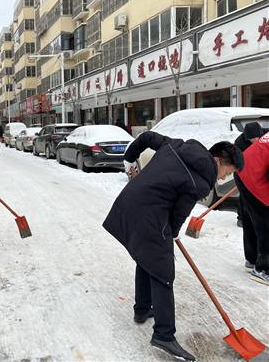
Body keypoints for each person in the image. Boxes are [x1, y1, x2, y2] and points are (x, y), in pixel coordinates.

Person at [102, 131, 244, 362]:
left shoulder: (177, 145)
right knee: (163, 273)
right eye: (225, 173)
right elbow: (178, 215)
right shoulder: (199, 182)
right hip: (149, 215)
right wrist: (173, 234)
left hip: (129, 201)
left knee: (146, 257)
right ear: (216, 161)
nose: (221, 179)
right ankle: (164, 335)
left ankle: (142, 309)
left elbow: (147, 137)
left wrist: (130, 158)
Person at [236, 131, 269, 285]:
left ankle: (252, 259)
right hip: (253, 176)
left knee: (251, 218)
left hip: (245, 171)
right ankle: (263, 269)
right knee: (265, 223)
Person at [234, 122, 266, 229]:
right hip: (245, 171)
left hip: (262, 169)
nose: (254, 141)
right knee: (245, 196)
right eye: (251, 139)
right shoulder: (240, 143)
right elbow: (241, 162)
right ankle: (241, 218)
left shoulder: (266, 136)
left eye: (256, 138)